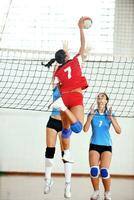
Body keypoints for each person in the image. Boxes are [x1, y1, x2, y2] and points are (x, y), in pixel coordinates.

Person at [45, 16, 91, 163]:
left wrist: (63, 54)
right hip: (75, 98)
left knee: (66, 130)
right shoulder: (76, 60)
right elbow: (83, 45)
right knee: (77, 128)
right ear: (66, 55)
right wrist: (80, 28)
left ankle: (66, 154)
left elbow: (57, 79)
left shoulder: (58, 71)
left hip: (64, 97)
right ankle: (63, 108)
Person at [83, 93, 121, 200]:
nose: (100, 99)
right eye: (98, 97)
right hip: (94, 144)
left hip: (106, 146)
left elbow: (119, 131)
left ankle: (107, 192)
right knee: (94, 170)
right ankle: (96, 192)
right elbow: (85, 129)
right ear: (97, 101)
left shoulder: (110, 114)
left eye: (102, 97)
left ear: (106, 101)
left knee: (104, 171)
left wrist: (111, 118)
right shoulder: (92, 113)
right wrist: (90, 117)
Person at [44, 84, 72, 198]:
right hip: (52, 121)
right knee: (49, 151)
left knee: (65, 154)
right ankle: (48, 180)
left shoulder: (71, 88)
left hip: (64, 123)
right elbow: (55, 70)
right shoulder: (55, 86)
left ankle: (68, 185)